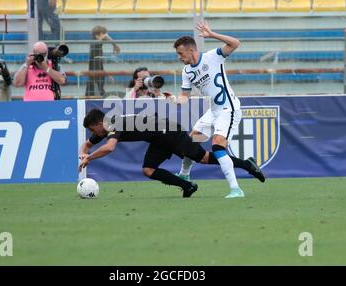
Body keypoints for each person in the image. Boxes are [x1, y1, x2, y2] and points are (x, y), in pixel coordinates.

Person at [78, 109, 265, 198]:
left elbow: (110, 147)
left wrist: (89, 158)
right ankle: (187, 186)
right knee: (148, 170)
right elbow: (86, 145)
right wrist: (83, 153)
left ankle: (247, 165)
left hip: (170, 132)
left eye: (93, 130)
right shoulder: (105, 127)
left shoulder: (114, 123)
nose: (94, 135)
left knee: (205, 158)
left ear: (98, 124)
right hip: (158, 138)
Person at [172, 21, 254, 199]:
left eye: (180, 53)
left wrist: (212, 34)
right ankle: (184, 174)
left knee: (217, 146)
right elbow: (184, 97)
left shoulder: (212, 56)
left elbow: (235, 43)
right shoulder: (186, 71)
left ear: (191, 50)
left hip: (228, 108)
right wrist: (173, 99)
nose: (179, 57)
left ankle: (236, 189)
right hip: (213, 111)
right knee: (191, 142)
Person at [85, 26, 121, 97]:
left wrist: (107, 75)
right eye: (104, 35)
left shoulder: (96, 44)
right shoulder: (95, 44)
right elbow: (106, 36)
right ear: (100, 34)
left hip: (97, 75)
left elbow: (99, 64)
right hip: (95, 76)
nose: (106, 39)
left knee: (96, 92)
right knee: (94, 93)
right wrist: (115, 45)